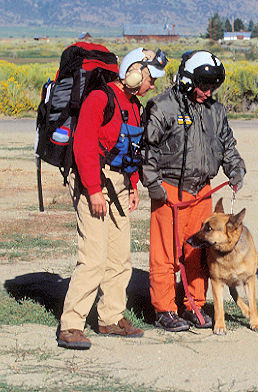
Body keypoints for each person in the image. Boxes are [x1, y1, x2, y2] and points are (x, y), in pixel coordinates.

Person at [58, 47, 167, 349]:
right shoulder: (99, 98)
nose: (152, 85)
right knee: (93, 258)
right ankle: (71, 324)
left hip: (119, 184)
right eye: (150, 78)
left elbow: (129, 148)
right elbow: (83, 146)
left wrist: (133, 184)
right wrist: (93, 189)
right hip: (93, 181)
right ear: (133, 73)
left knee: (120, 259)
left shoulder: (132, 105)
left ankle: (110, 318)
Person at [142, 50, 246, 332]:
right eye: (203, 85)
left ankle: (194, 305)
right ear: (187, 80)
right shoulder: (161, 108)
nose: (208, 91)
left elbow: (228, 147)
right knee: (166, 253)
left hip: (202, 192)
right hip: (168, 190)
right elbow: (148, 151)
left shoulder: (216, 111)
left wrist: (236, 170)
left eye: (213, 86)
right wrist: (154, 186)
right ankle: (165, 309)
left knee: (198, 252)